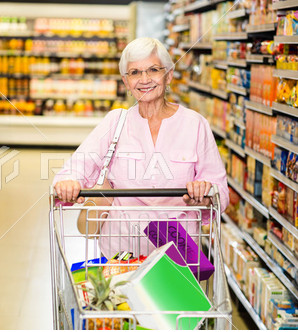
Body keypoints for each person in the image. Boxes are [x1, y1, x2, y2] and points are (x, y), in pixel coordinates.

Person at [53, 37, 229, 259]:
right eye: (134, 72)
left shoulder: (195, 124)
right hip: (121, 253)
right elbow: (75, 168)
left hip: (179, 255)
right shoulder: (115, 122)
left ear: (169, 75)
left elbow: (219, 190)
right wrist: (69, 182)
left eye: (153, 69)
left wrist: (204, 193)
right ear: (126, 82)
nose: (144, 79)